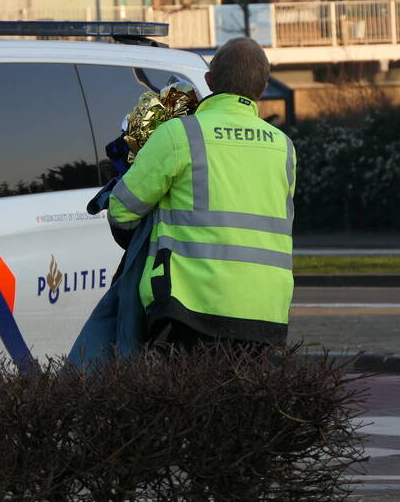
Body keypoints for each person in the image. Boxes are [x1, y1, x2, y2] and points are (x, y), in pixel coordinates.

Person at [107, 37, 296, 351]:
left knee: (187, 398)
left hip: (190, 308)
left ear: (209, 81)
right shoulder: (284, 147)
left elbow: (121, 211)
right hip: (267, 309)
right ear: (263, 89)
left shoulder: (181, 134)